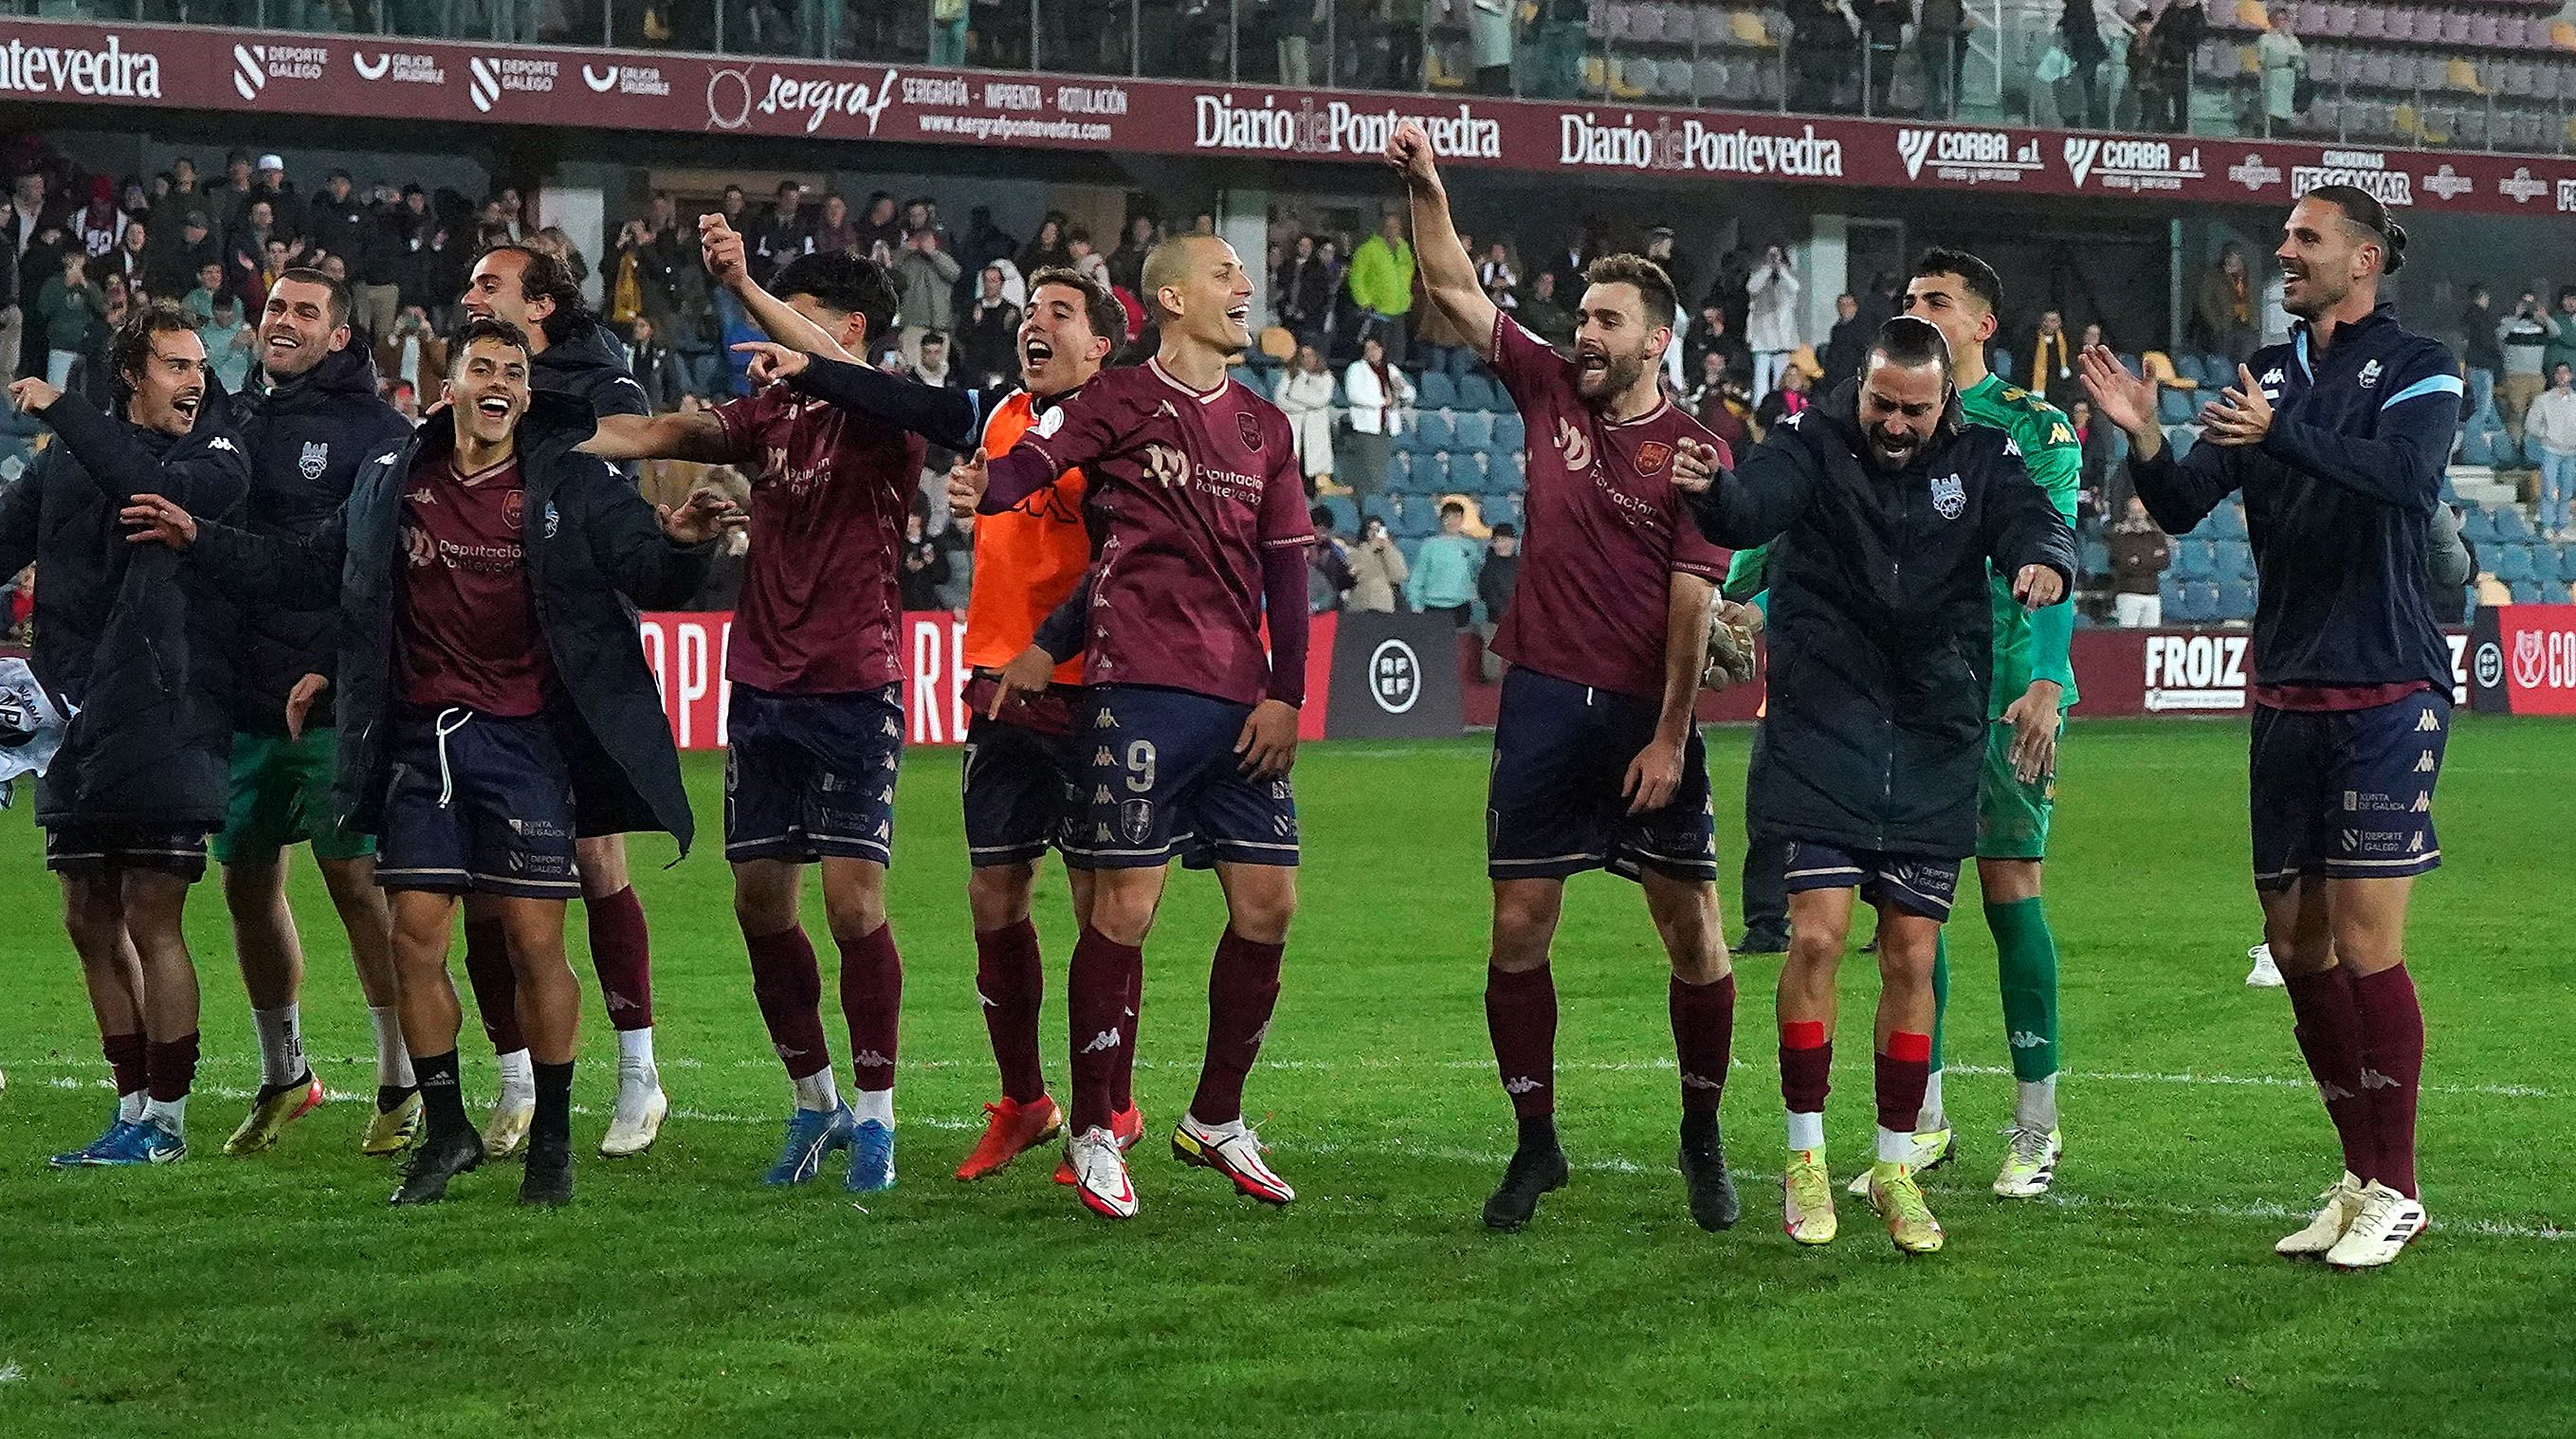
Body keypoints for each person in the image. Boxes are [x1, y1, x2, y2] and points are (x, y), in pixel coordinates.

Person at [125, 316, 736, 1206]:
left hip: (527, 741)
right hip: (419, 742)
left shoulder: (566, 474)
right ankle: (445, 1130)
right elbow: (310, 569)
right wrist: (201, 540)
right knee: (415, 939)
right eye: (481, 367)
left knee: (534, 943)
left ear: (526, 394)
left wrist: (684, 542)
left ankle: (553, 1142)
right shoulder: (391, 479)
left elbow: (645, 569)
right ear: (449, 384)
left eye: (514, 373)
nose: (499, 384)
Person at [2078, 185, 2459, 1269]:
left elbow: (2405, 478)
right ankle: (2357, 1173)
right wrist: (2147, 438)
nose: (2282, 253)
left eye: (2304, 239)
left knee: (2362, 939)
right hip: (2285, 687)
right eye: (2284, 237)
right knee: (2294, 949)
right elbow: (2187, 502)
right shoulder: (2272, 374)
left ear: (2365, 258)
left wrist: (2279, 434)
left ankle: (2399, 1186)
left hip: (2385, 684)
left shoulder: (2421, 363)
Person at [1389, 120, 1745, 1236]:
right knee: (1516, 928)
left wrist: (1671, 736)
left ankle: (1700, 1135)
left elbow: (1694, 602)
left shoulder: (1693, 450)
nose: (1581, 335)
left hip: (1646, 719)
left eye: (1605, 322)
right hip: (1542, 698)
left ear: (1654, 342)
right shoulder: (1546, 387)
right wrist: (1427, 186)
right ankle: (1535, 1144)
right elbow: (1447, 284)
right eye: (1581, 318)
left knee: (1690, 935)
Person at [706, 264, 1128, 1185]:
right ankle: (1026, 1101)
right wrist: (776, 330)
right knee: (995, 902)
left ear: (1099, 344)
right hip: (998, 689)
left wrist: (1018, 538)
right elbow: (859, 382)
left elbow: (1127, 556)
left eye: (1058, 313)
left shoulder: (1124, 425)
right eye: (1028, 310)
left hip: (1096, 687)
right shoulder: (990, 413)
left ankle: (1111, 1108)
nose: (1034, 323)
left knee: (1106, 908)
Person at [1676, 314, 2075, 1254]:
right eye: (1881, 405)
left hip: (1934, 733)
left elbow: (2034, 520)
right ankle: (1804, 1156)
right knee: (1814, 938)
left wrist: (2042, 561)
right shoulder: (1811, 445)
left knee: (1908, 954)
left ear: (1943, 401)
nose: (1895, 425)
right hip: (1825, 728)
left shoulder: (1981, 459)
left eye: (1915, 409)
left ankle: (1897, 1163)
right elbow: (1752, 506)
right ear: (1858, 389)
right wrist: (1714, 496)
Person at [957, 232, 1311, 1222]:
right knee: (1122, 911)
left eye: (1243, 275)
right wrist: (979, 486)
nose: (1244, 288)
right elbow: (1033, 461)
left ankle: (1215, 1120)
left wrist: (1287, 694)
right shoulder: (1114, 402)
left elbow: (1287, 573)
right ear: (1169, 298)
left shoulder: (1265, 429)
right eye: (1224, 274)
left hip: (1242, 702)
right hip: (1138, 690)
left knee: (1269, 906)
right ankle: (1095, 1127)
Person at [582, 228, 927, 1192]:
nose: (777, 335)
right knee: (759, 903)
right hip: (764, 687)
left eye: (800, 315)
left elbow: (839, 373)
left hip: (855, 683)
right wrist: (550, 431)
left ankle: (876, 1119)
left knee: (856, 907)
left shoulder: (888, 413)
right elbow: (668, 436)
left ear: (848, 330)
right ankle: (813, 1102)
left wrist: (737, 281)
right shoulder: (777, 413)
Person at [4, 303, 249, 1167]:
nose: (196, 381)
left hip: (165, 707)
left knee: (155, 914)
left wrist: (60, 409)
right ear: (131, 374)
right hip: (72, 714)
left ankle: (171, 1125)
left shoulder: (214, 455)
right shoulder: (65, 455)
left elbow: (152, 493)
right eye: (177, 365)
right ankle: (132, 1106)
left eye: (199, 366)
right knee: (85, 916)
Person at [456, 243, 668, 1157]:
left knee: (595, 862)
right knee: (477, 882)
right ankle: (509, 1079)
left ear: (539, 307)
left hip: (575, 659)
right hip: (476, 654)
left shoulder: (601, 392)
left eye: (488, 284)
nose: (470, 296)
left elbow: (618, 513)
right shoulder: (467, 383)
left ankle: (638, 1076)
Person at [1884, 248, 2088, 1198]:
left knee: (2009, 894)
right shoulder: (1890, 419)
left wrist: (2045, 681)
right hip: (1910, 693)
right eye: (1908, 299)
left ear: (1979, 326)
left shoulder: (2030, 426)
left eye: (1936, 300)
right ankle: (1920, 1123)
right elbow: (1798, 523)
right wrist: (1729, 592)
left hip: (2007, 693)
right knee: (1908, 911)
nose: (1916, 309)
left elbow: (2049, 550)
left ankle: (2034, 1127)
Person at [210, 269, 422, 1160]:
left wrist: (336, 667)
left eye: (303, 312)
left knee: (355, 885)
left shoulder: (376, 433)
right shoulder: (236, 417)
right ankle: (285, 1072)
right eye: (273, 310)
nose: (281, 323)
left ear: (341, 335)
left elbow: (383, 572)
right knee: (247, 883)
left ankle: (400, 1075)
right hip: (241, 697)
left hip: (330, 698)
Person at [1341, 335, 1412, 499]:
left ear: (1382, 349)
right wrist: (1382, 401)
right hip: (1367, 426)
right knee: (1370, 470)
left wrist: (1402, 390)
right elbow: (1354, 395)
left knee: (1381, 469)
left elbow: (1408, 393)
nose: (1372, 352)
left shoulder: (1391, 369)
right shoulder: (1356, 369)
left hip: (1386, 426)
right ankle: (1367, 501)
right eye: (1368, 349)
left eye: (1375, 348)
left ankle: (1376, 499)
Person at [1347, 211, 1416, 366]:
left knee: (1397, 356)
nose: (1392, 230)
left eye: (1395, 227)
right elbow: (1355, 277)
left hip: (1399, 309)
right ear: (1381, 228)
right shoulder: (1368, 249)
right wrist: (1365, 302)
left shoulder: (1404, 248)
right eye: (1388, 227)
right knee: (1376, 356)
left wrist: (1407, 296)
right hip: (1377, 312)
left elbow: (1409, 271)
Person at [1405, 500, 1484, 624]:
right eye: (1448, 517)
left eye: (1456, 517)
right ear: (1441, 520)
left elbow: (1476, 574)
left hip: (1462, 606)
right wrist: (1416, 604)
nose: (1452, 522)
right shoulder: (1429, 546)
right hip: (1433, 606)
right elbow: (1418, 576)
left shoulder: (1471, 546)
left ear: (1462, 519)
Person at [2523, 361, 2576, 540]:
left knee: (2567, 490)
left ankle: (2561, 527)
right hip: (2550, 450)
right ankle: (2547, 525)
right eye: (2559, 373)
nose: (2562, 377)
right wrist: (2546, 434)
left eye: (2565, 373)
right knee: (2549, 488)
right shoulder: (2543, 400)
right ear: (2554, 377)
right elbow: (2530, 424)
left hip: (2571, 452)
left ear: (2571, 376)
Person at [1276, 343, 1338, 491]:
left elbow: (1320, 400)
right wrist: (1303, 408)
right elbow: (1280, 400)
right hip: (1295, 429)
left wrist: (1295, 396)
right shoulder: (1289, 375)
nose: (1307, 359)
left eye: (1310, 355)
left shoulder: (1326, 377)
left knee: (1312, 474)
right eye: (1303, 356)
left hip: (1315, 433)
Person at [1746, 246, 1801, 403]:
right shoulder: (1759, 274)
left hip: (1783, 336)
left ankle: (1781, 408)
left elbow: (1795, 288)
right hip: (1762, 335)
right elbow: (1752, 288)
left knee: (1781, 378)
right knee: (1761, 379)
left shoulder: (1787, 276)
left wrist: (1780, 269)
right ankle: (1759, 410)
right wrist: (1768, 268)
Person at [2108, 495, 2171, 625]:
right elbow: (2123, 563)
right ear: (2127, 513)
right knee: (2127, 638)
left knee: (2151, 637)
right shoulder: (2120, 536)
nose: (2139, 515)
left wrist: (2139, 560)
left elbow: (2164, 561)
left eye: (2141, 511)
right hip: (2128, 594)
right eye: (2135, 511)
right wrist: (2151, 557)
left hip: (2152, 594)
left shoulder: (2156, 535)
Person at [2497, 290, 2549, 439]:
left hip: (2536, 376)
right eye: (2525, 303)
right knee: (2516, 413)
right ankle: (2516, 448)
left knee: (2537, 416)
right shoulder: (2508, 322)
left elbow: (2556, 332)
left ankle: (2532, 451)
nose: (2528, 307)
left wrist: (2544, 317)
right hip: (2515, 375)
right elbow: (2500, 335)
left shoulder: (2541, 324)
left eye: (2531, 304)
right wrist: (2516, 316)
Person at [2196, 245, 2258, 365]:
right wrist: (2217, 325)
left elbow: (2252, 300)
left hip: (2244, 325)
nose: (2232, 262)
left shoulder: (2247, 278)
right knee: (2223, 361)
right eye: (2229, 258)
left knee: (2247, 357)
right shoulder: (2213, 276)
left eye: (2236, 259)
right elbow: (2205, 303)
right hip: (2222, 328)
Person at [2256, 6, 2307, 132]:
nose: (2282, 22)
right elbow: (2262, 60)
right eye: (2279, 19)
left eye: (2284, 19)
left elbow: (2300, 57)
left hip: (2289, 79)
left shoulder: (2293, 40)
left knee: (2287, 110)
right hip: (2273, 78)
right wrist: (2282, 60)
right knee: (2272, 110)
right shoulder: (2265, 39)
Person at [1346, 514, 1407, 612]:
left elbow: (1399, 575)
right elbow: (1357, 574)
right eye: (1371, 530)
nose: (1375, 534)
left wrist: (1388, 549)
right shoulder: (1354, 552)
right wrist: (1371, 549)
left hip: (1385, 605)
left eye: (1378, 530)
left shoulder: (1391, 551)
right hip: (1362, 605)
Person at [1308, 505, 1355, 612]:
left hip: (1329, 601)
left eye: (1324, 531)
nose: (1320, 535)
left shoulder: (1333, 549)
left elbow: (1343, 577)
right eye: (1317, 530)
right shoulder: (1299, 547)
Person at [2025, 308, 2075, 404]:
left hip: (2059, 390)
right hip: (2033, 387)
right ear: (2043, 322)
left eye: (2055, 321)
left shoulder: (2066, 340)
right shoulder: (2031, 340)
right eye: (2049, 321)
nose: (2054, 324)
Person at [1819, 293, 1870, 386]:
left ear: (1856, 307)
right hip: (1835, 378)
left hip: (1854, 378)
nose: (1845, 308)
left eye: (1849, 304)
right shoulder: (1836, 330)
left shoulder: (1864, 328)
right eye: (1842, 305)